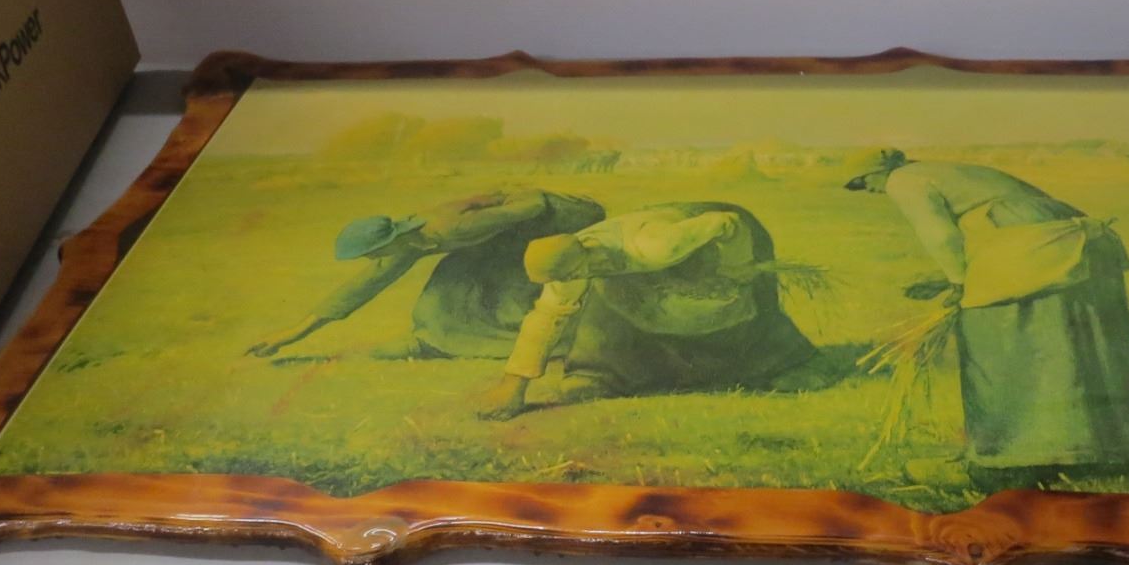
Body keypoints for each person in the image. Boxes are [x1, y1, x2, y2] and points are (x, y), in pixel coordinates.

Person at [844, 148, 1129, 484]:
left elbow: (940, 235)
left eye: (862, 182)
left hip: (1038, 251)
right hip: (1074, 247)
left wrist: (958, 282)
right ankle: (1124, 448)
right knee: (1080, 350)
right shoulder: (942, 171)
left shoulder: (903, 180)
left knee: (994, 343)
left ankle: (1006, 460)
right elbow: (991, 228)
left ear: (878, 172)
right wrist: (949, 278)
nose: (868, 190)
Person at [476, 202, 817, 419]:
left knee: (725, 310)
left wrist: (736, 267)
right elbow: (547, 316)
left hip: (710, 244)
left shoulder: (655, 245)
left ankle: (781, 365)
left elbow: (725, 222)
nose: (562, 283)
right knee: (619, 310)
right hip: (652, 262)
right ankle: (603, 376)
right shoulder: (569, 266)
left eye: (565, 276)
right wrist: (514, 385)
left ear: (579, 261)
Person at [245, 189, 604, 360]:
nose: (370, 260)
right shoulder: (408, 242)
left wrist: (498, 206)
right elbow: (363, 285)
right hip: (502, 239)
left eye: (369, 254)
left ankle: (555, 347)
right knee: (446, 287)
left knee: (501, 288)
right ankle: (435, 341)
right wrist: (291, 335)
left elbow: (536, 204)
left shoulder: (451, 229)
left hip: (562, 222)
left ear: (385, 244)